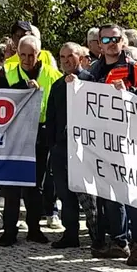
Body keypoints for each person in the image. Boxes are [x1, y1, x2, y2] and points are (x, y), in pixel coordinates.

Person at [76, 25, 137, 263]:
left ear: (123, 43)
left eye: (116, 39)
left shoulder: (133, 67)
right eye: (105, 39)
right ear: (99, 43)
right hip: (103, 142)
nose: (111, 43)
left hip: (131, 141)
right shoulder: (93, 71)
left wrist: (129, 90)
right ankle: (119, 240)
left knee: (134, 195)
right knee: (110, 193)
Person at [0, 34, 61, 247]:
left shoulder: (52, 74)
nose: (27, 59)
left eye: (31, 55)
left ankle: (34, 229)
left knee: (34, 187)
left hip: (40, 135)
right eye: (23, 55)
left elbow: (58, 106)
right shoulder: (6, 73)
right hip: (13, 135)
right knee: (11, 186)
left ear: (39, 54)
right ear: (18, 54)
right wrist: (21, 88)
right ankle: (9, 231)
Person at [47, 42, 99, 250]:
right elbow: (51, 118)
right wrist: (53, 147)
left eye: (70, 56)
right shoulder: (58, 85)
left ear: (80, 57)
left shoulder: (91, 81)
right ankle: (71, 234)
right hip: (62, 148)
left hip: (85, 148)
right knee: (65, 193)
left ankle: (96, 235)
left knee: (89, 196)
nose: (66, 61)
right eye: (62, 57)